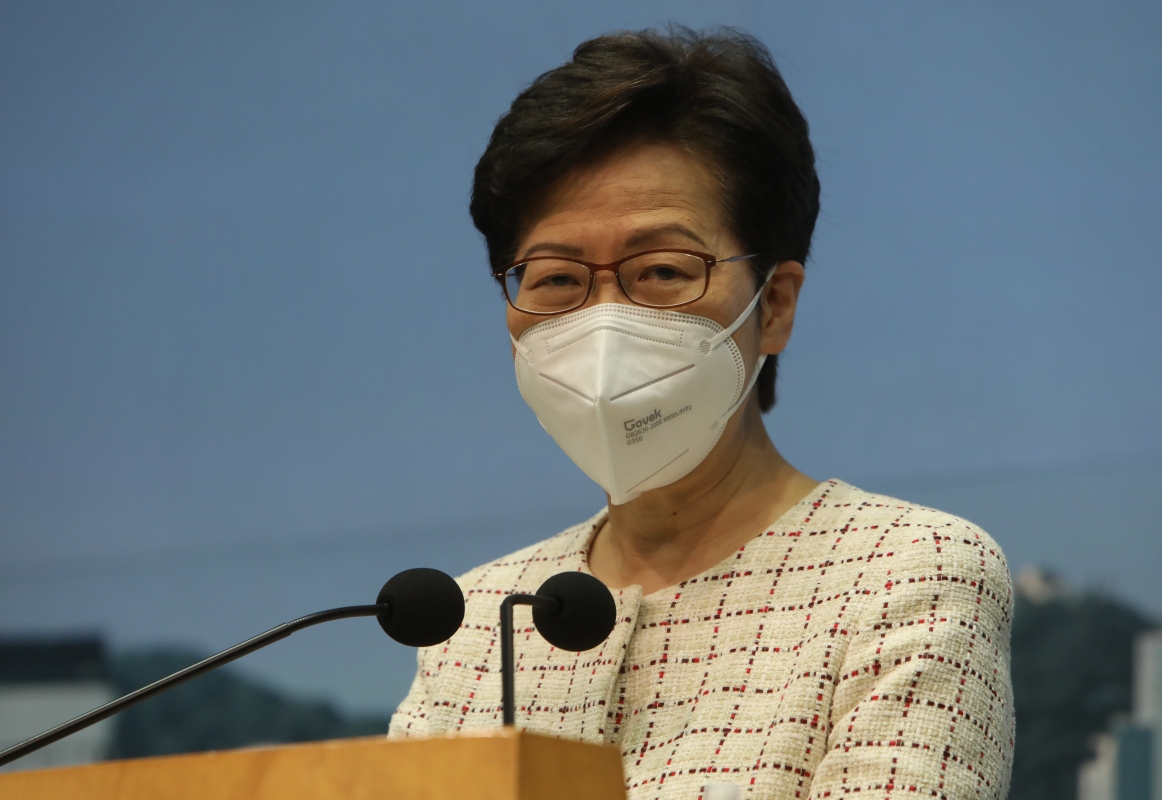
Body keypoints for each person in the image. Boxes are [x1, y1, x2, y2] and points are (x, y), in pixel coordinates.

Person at [389, 27, 1014, 800]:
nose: (605, 322)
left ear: (774, 306)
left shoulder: (902, 574)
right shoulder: (470, 620)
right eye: (556, 279)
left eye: (661, 270)